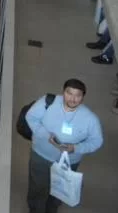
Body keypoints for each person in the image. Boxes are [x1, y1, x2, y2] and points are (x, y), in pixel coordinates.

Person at [24, 78, 103, 213]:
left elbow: (96, 141)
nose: (73, 99)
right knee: (37, 186)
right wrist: (46, 135)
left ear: (83, 97)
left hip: (68, 162)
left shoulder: (90, 119)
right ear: (63, 92)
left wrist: (76, 148)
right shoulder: (47, 102)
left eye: (77, 95)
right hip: (41, 156)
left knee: (59, 188)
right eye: (69, 93)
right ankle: (35, 209)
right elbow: (31, 117)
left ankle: (52, 209)